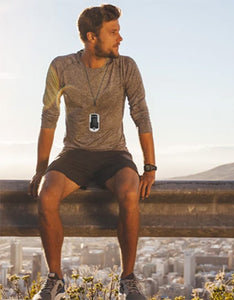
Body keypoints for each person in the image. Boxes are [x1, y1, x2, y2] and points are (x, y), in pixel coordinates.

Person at [28, 4, 156, 300]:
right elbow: (49, 119)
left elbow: (142, 116)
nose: (120, 38)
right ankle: (55, 279)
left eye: (119, 31)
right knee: (46, 195)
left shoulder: (127, 67)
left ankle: (128, 279)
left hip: (114, 155)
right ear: (91, 37)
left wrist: (149, 167)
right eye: (113, 32)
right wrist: (41, 169)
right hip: (75, 155)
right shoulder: (60, 67)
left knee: (129, 191)